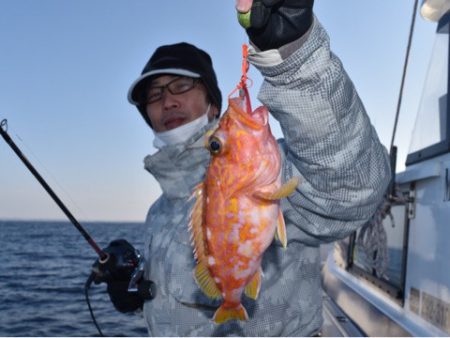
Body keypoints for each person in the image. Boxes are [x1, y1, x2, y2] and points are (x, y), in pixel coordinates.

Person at [122, 0, 391, 335]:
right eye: (154, 94)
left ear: (214, 105)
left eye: (181, 85)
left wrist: (296, 57)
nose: (168, 101)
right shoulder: (157, 211)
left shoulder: (277, 175)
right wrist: (139, 292)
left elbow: (350, 186)